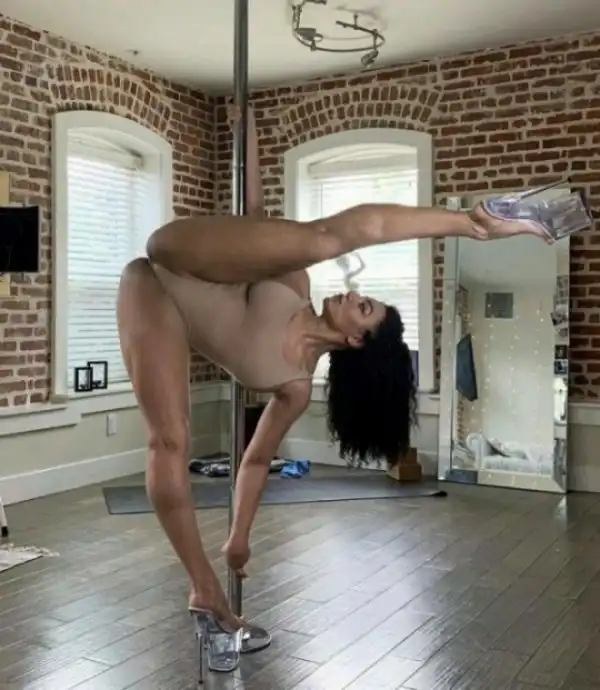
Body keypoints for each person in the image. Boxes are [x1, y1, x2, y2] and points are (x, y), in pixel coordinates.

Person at [116, 104, 579, 660]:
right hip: (179, 251)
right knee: (321, 239)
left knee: (168, 441)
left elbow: (256, 461)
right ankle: (471, 223)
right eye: (363, 297)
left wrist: (239, 535)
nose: (352, 294)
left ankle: (203, 589)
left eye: (363, 307)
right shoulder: (293, 282)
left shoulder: (293, 385)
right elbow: (256, 220)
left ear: (358, 341)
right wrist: (248, 138)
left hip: (149, 296)